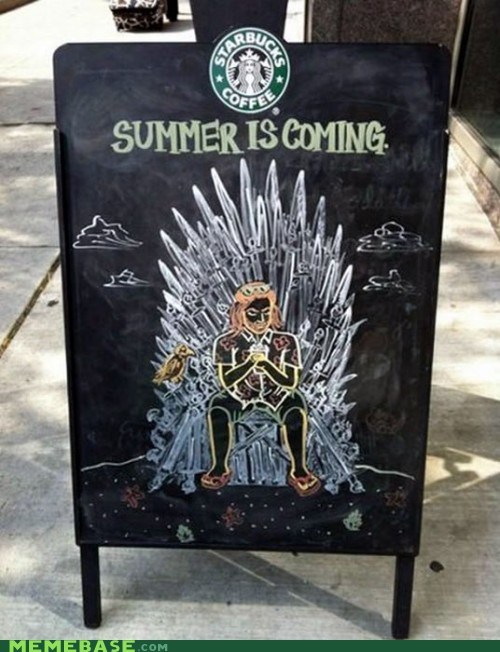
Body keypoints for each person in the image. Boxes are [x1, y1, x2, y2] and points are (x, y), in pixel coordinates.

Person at [201, 281, 321, 497]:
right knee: (217, 405)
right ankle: (219, 466)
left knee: (296, 404)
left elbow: (290, 382)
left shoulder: (286, 341)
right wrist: (249, 364)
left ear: (273, 312)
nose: (260, 320)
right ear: (240, 313)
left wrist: (266, 364)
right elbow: (226, 381)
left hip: (277, 396)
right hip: (241, 396)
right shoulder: (227, 342)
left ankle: (299, 469)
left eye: (266, 314)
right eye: (252, 314)